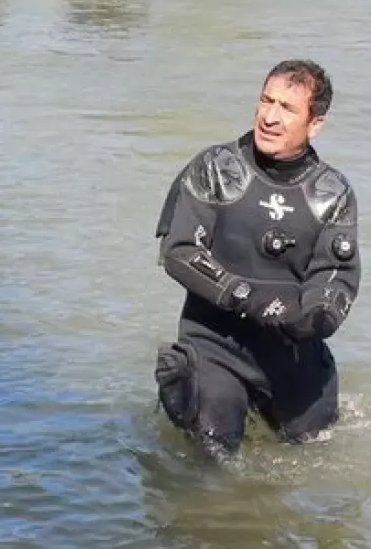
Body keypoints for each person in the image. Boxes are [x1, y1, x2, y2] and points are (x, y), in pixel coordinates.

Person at [153, 60, 360, 456]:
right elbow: (179, 251)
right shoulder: (214, 168)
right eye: (266, 100)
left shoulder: (332, 192)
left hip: (291, 350)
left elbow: (335, 272)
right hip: (216, 345)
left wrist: (319, 316)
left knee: (314, 455)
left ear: (315, 124)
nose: (269, 117)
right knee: (212, 461)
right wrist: (247, 296)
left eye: (287, 108)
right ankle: (187, 389)